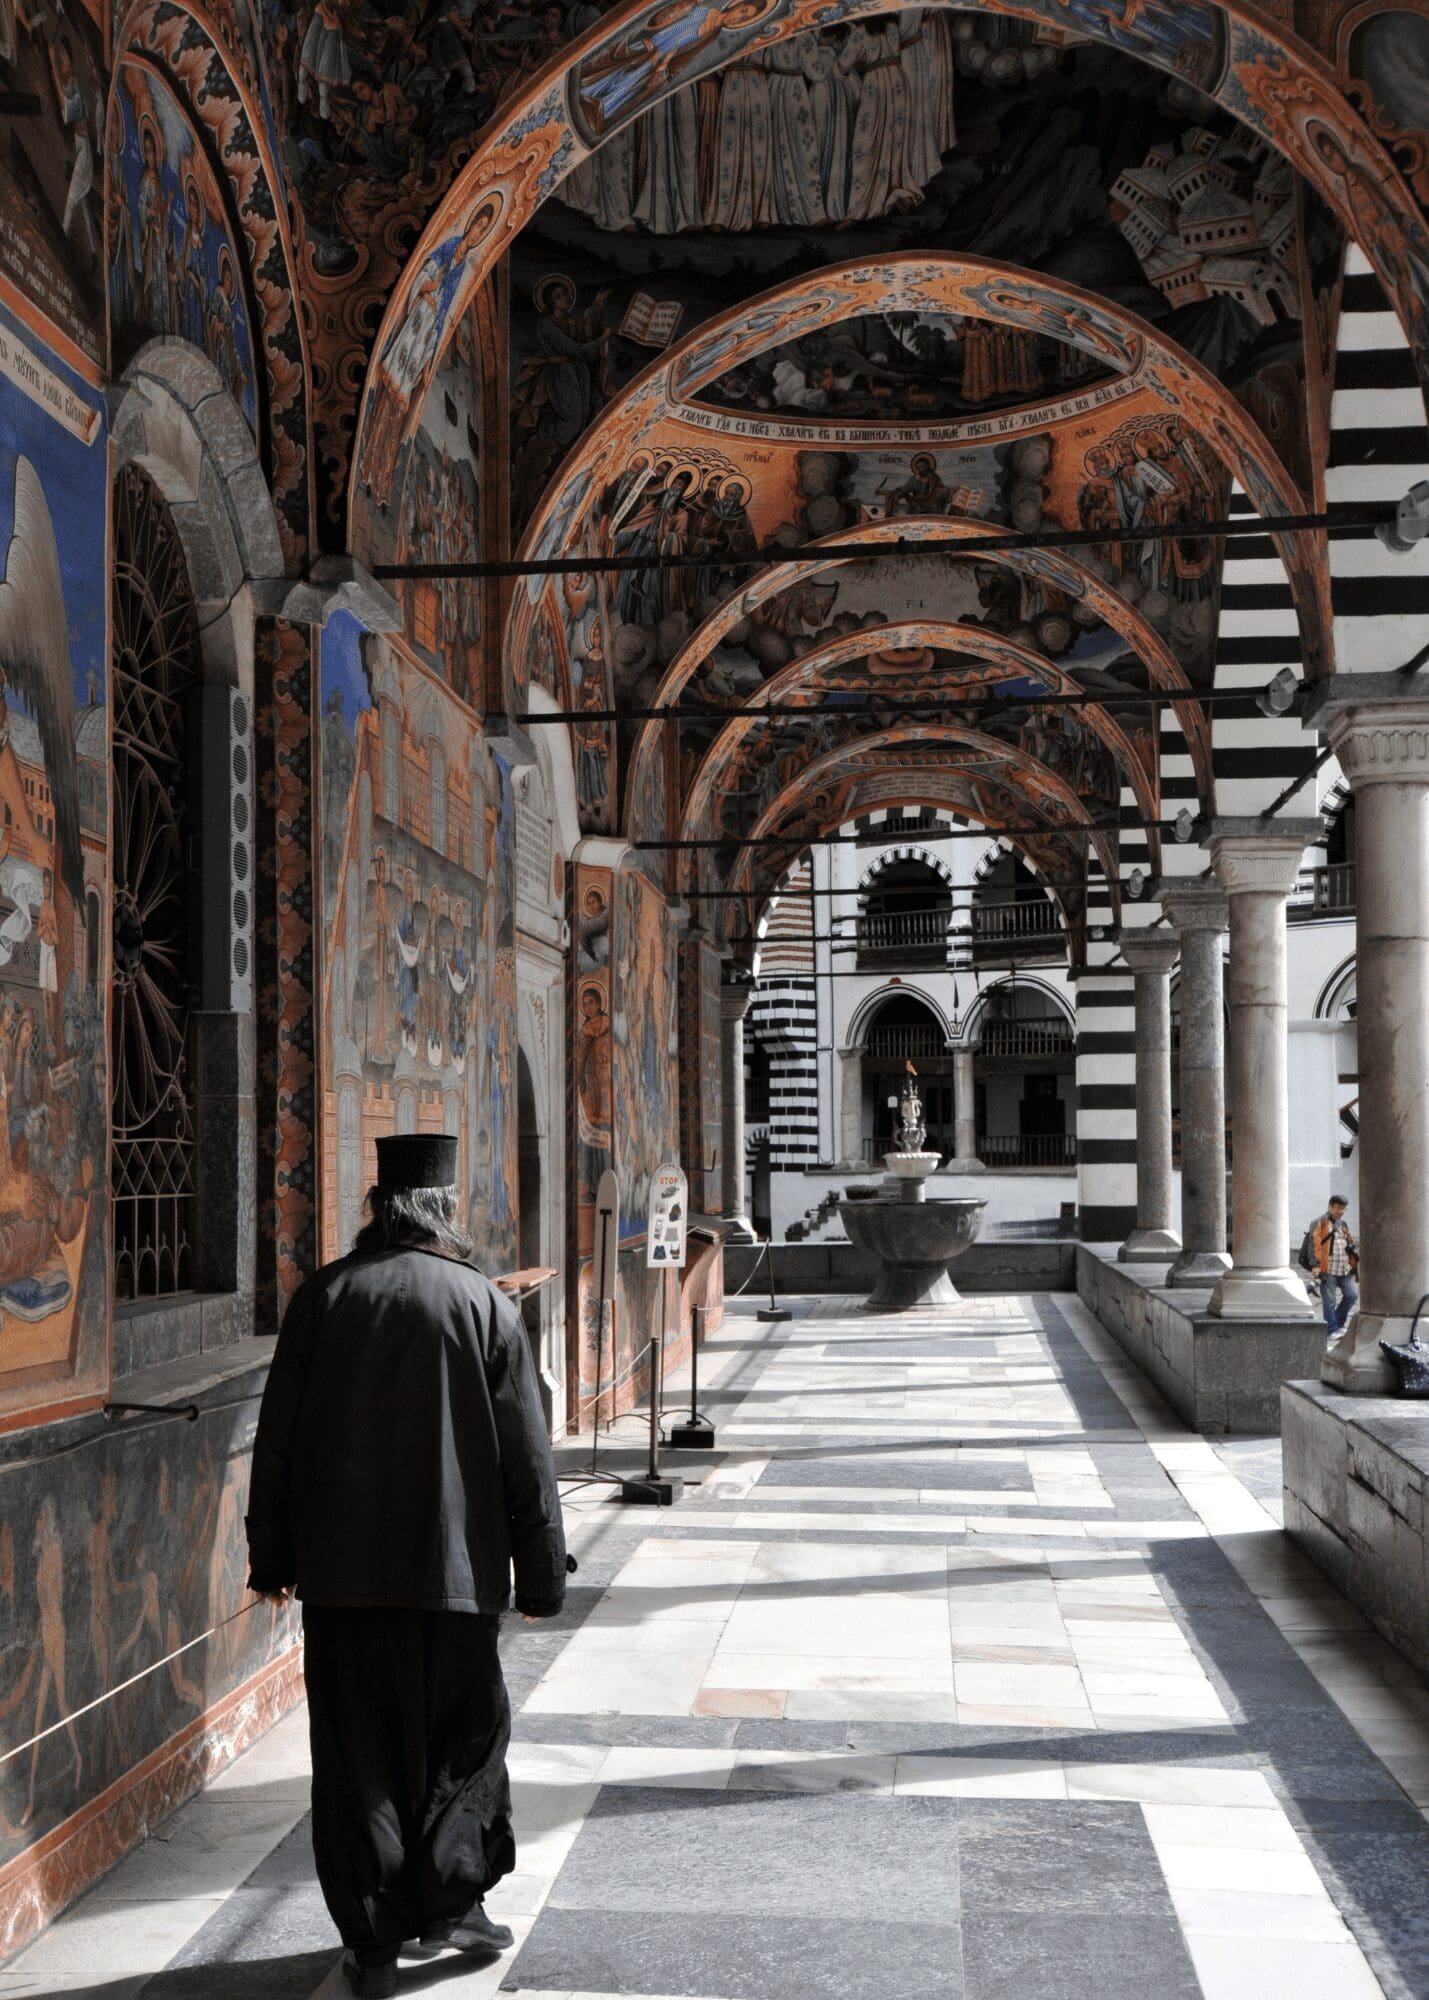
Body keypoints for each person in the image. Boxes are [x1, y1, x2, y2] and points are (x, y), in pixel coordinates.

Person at [245, 1134, 568, 1998]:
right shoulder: (482, 1305)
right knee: (462, 1746)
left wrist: (270, 1555)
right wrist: (541, 1575)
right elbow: (525, 1454)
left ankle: (377, 1939)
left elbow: (275, 1444)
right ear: (443, 1210)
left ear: (378, 1209)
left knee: (360, 1756)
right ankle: (453, 1902)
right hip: (456, 1578)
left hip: (344, 1582)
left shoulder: (322, 1299)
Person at [1310, 1193, 1359, 1337]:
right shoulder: (1319, 1222)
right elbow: (1314, 1245)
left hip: (1345, 1268)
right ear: (1330, 1206)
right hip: (1328, 1268)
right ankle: (1331, 1329)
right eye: (1338, 1208)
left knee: (1351, 1296)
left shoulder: (1343, 1224)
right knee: (1329, 1301)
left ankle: (1337, 1323)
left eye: (1344, 1208)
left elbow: (1347, 1242)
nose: (1341, 1211)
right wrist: (1316, 1265)